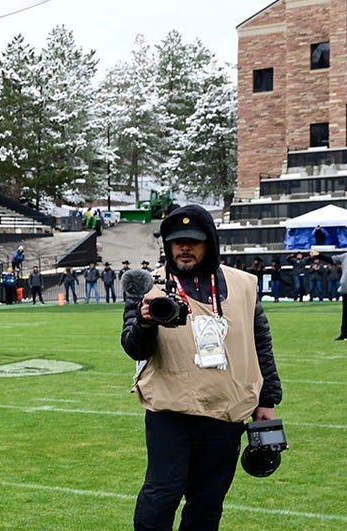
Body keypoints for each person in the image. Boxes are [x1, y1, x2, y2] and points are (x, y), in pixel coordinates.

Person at [121, 205, 283, 530]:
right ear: (167, 245)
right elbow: (133, 347)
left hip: (225, 409)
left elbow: (259, 344)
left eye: (193, 241)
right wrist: (144, 322)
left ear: (209, 243)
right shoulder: (148, 286)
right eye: (177, 241)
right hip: (171, 410)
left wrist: (267, 400)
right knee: (162, 493)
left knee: (208, 501)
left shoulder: (242, 285)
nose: (184, 248)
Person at [335, 251, 347, 341]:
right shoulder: (345, 256)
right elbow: (332, 259)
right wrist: (319, 255)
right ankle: (344, 334)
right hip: (345, 289)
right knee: (345, 313)